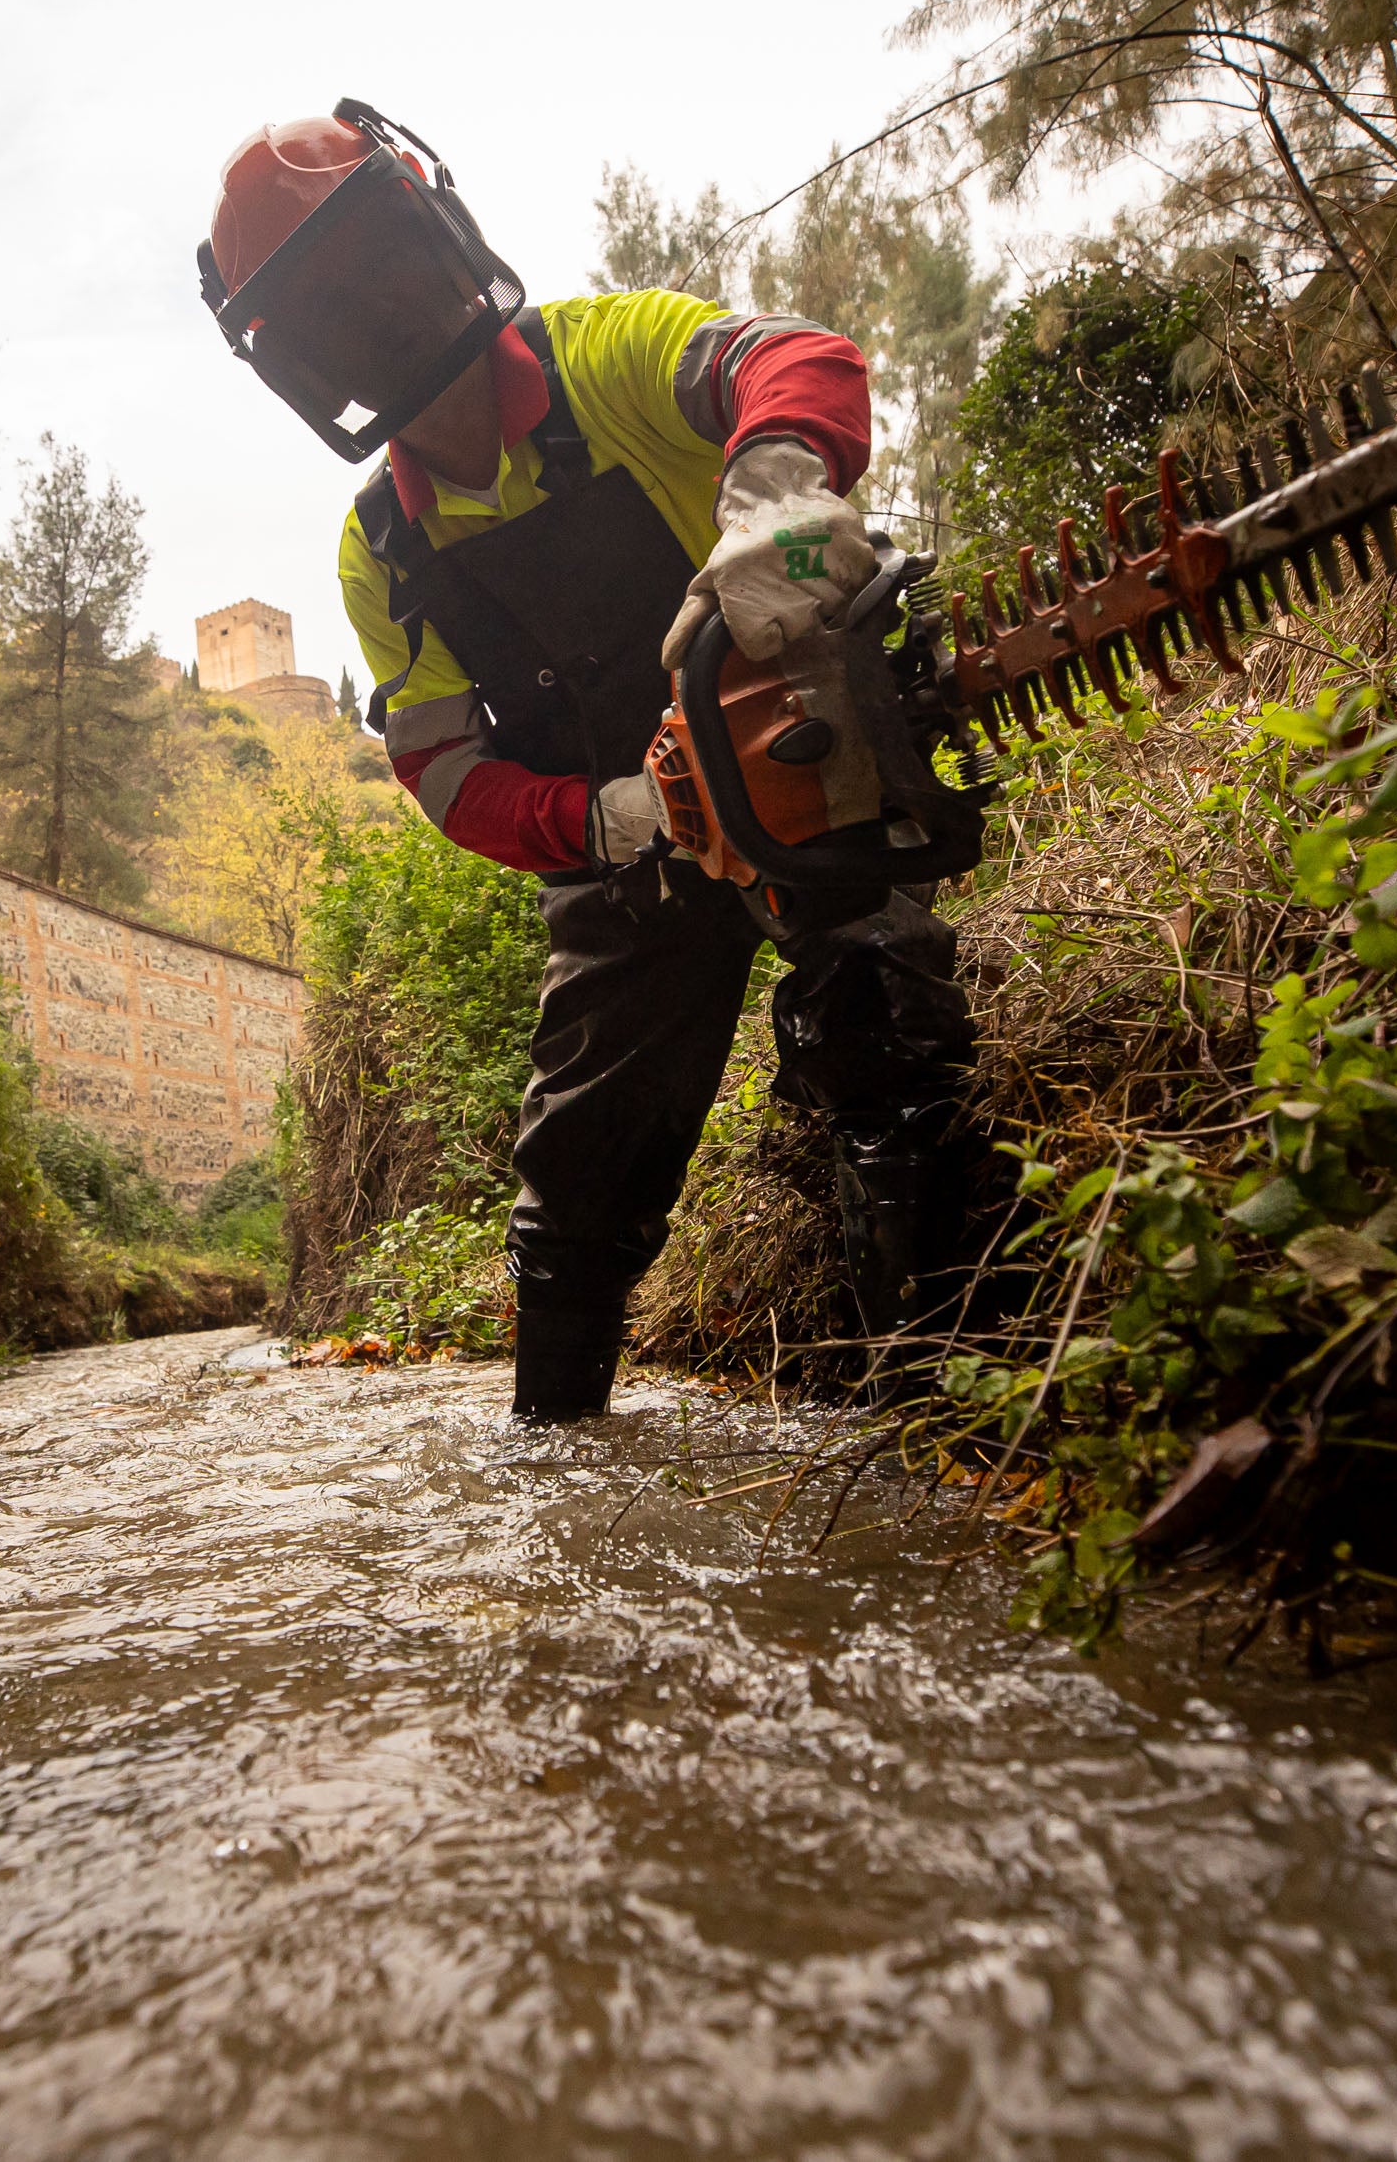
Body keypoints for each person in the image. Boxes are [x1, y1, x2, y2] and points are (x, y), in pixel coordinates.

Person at [199, 101, 974, 1425]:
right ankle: (555, 1454)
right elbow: (442, 770)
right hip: (625, 848)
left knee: (885, 1032)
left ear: (427, 231)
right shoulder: (383, 548)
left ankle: (961, 1390)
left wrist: (780, 497)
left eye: (376, 270)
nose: (377, 315)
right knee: (578, 1170)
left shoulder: (607, 355)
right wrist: (607, 817)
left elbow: (793, 357)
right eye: (335, 309)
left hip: (797, 757)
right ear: (302, 353)